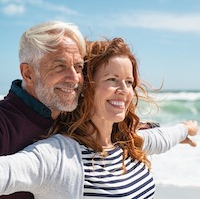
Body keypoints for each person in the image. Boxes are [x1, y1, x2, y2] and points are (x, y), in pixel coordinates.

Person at [0, 38, 198, 199]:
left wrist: (186, 129)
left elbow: (162, 138)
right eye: (112, 79)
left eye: (128, 82)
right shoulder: (57, 156)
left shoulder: (128, 142)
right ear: (86, 87)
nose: (124, 91)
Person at [0, 20, 86, 199]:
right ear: (28, 74)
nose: (74, 78)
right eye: (59, 66)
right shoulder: (3, 124)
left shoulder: (75, 119)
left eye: (78, 66)